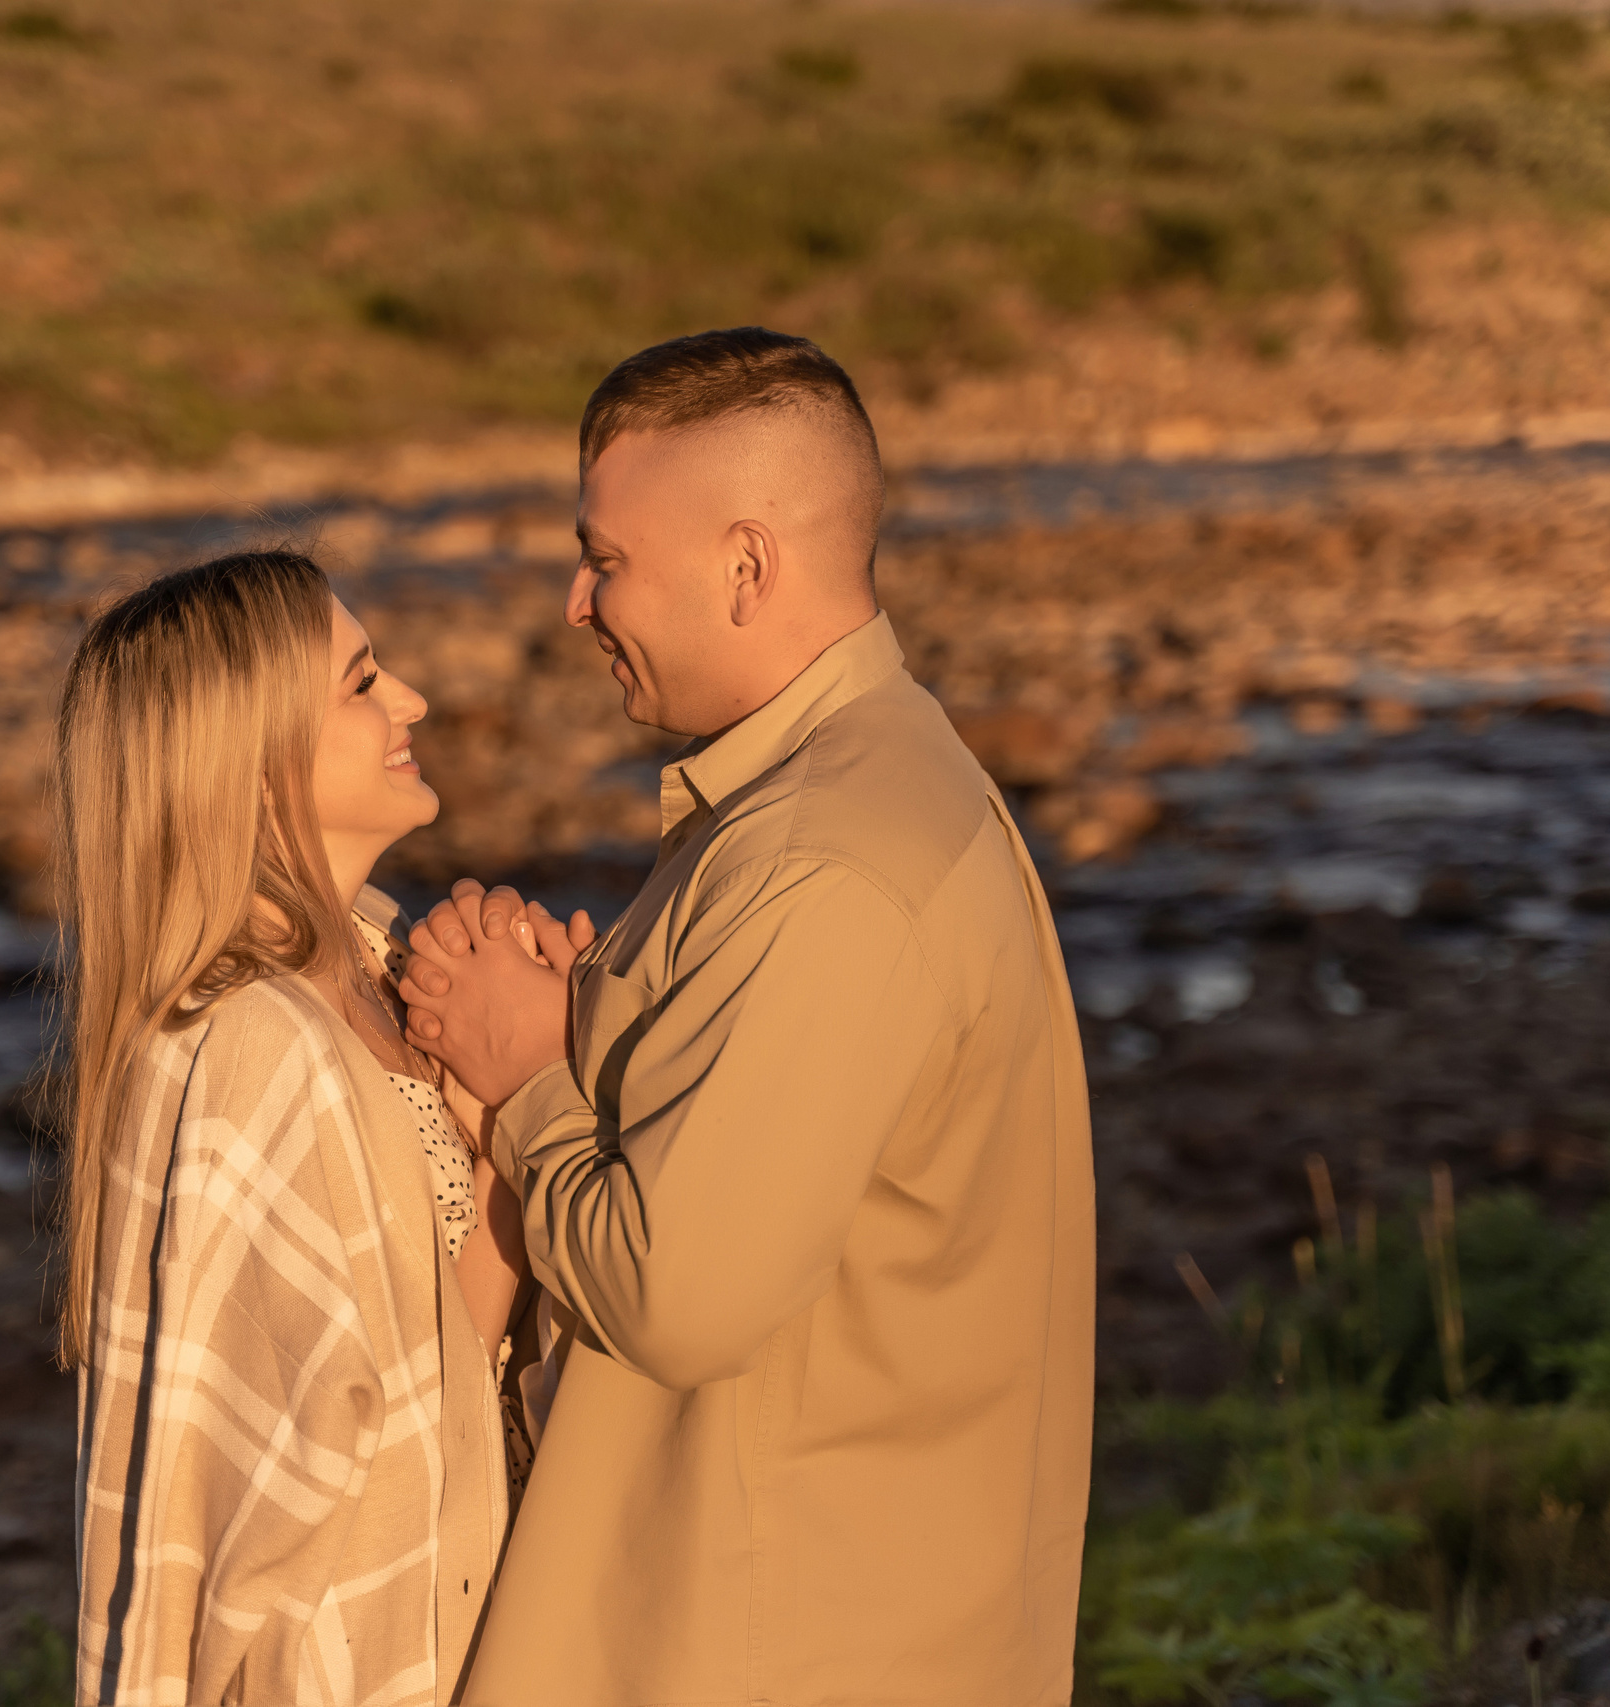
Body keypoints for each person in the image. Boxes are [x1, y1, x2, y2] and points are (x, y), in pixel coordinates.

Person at [400, 328, 1097, 1706]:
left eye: (605, 559)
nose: (574, 603)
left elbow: (680, 1291)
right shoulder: (869, 784)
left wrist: (530, 1067)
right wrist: (586, 1017)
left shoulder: (821, 861)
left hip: (761, 1644)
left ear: (746, 566)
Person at [56, 549, 527, 1706]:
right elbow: (205, 1516)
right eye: (363, 683)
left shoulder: (371, 975)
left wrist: (499, 1106)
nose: (409, 699)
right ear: (257, 764)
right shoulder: (243, 1049)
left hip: (438, 1640)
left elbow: (424, 1382)